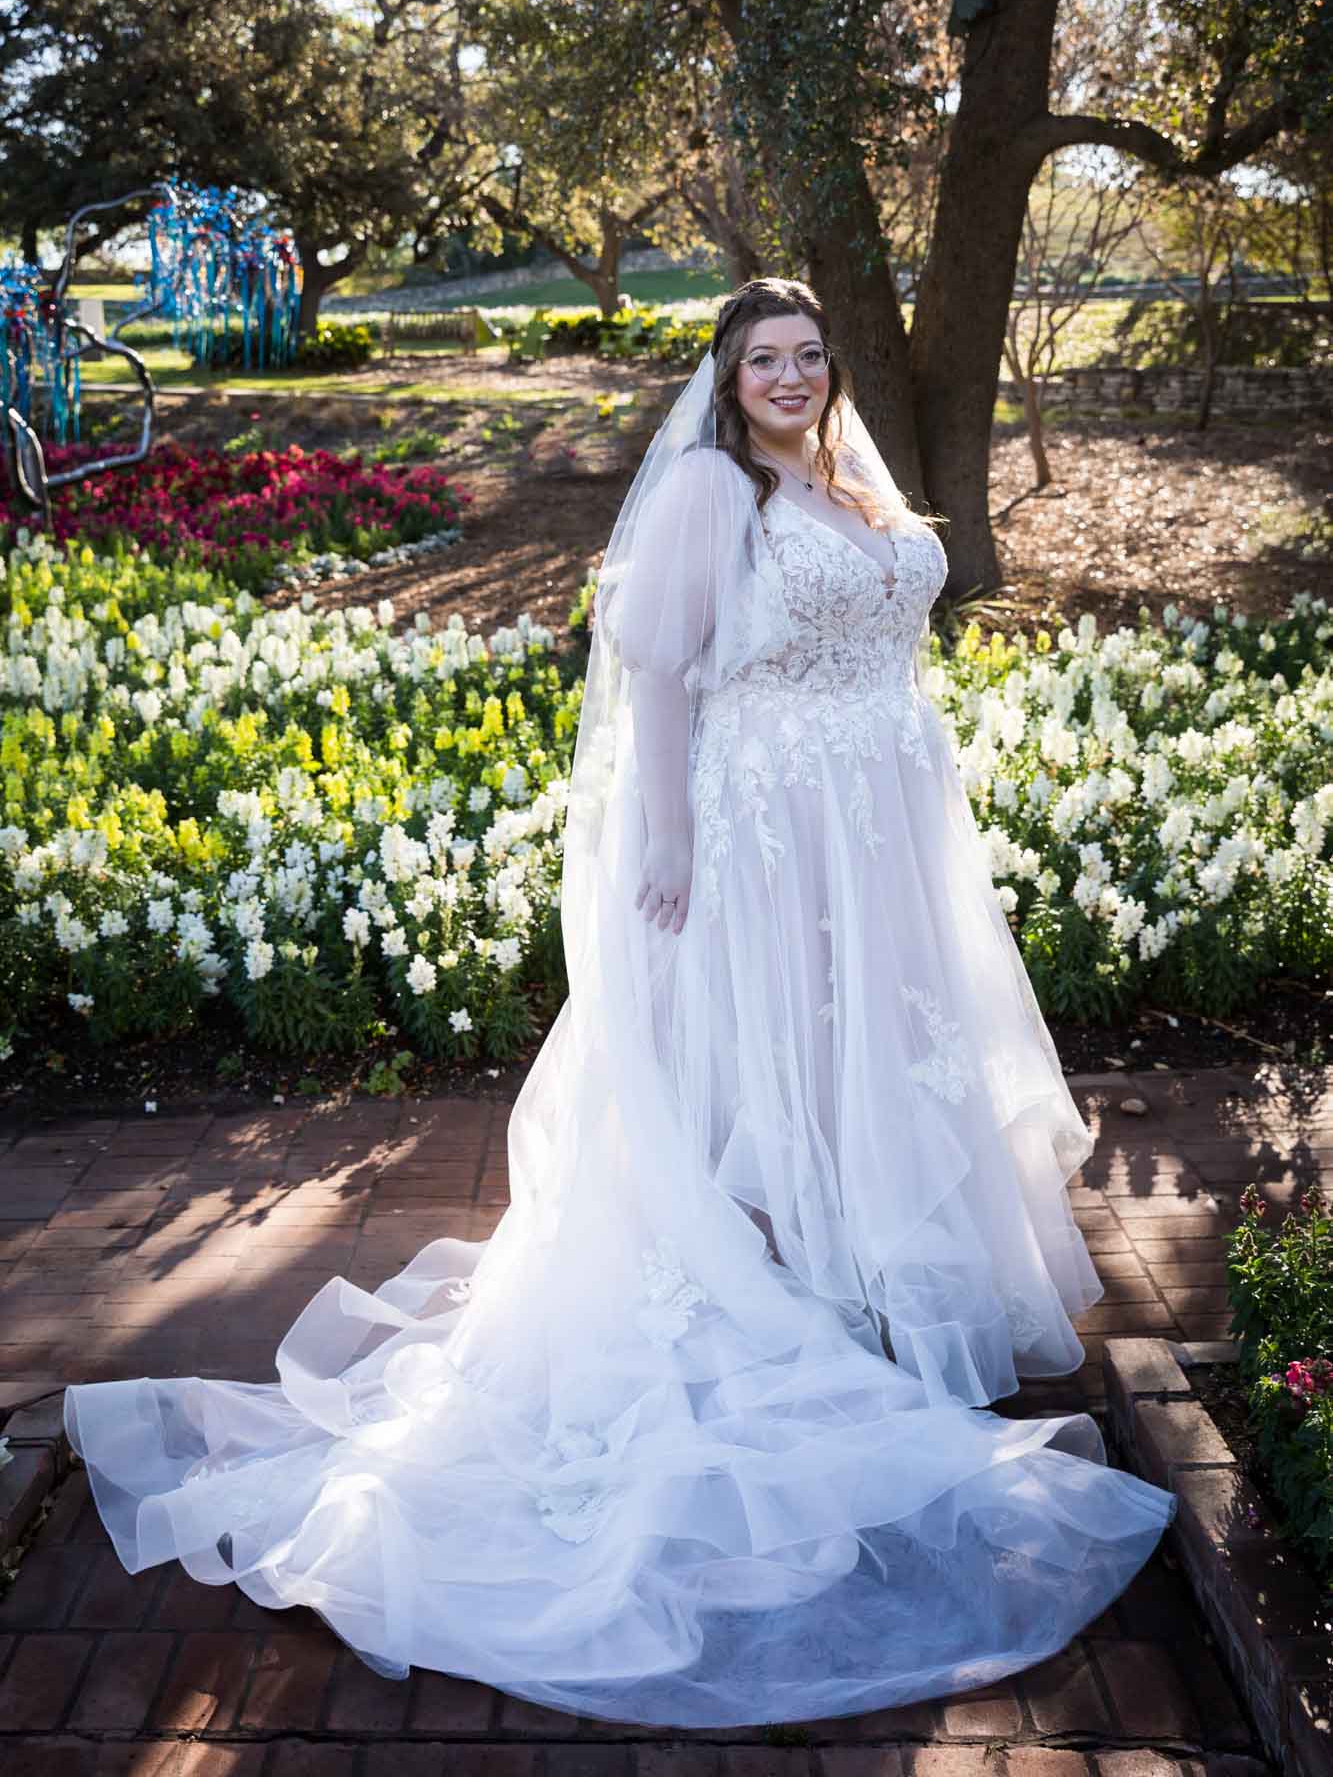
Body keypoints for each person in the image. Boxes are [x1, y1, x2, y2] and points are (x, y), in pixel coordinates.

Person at [63, 277, 1176, 1727]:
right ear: (725, 377)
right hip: (765, 821)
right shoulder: (715, 491)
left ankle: (866, 1285)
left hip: (877, 820)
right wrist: (664, 839)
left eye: (806, 354)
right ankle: (791, 1281)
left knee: (872, 1057)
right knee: (771, 1059)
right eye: (763, 357)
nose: (788, 374)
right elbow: (656, 676)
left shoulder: (840, 477)